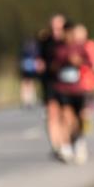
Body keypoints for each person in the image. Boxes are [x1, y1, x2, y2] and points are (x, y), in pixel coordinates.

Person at [49, 22, 94, 164]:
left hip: (79, 89)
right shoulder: (58, 48)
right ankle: (66, 147)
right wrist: (63, 63)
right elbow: (52, 66)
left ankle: (79, 140)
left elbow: (91, 64)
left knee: (80, 119)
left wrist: (79, 62)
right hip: (63, 88)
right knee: (66, 117)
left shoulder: (80, 47)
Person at [38, 14, 67, 156]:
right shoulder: (44, 41)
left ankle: (66, 141)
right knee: (52, 114)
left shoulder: (69, 41)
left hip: (68, 83)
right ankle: (56, 146)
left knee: (66, 114)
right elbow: (39, 60)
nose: (56, 29)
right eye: (54, 26)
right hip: (50, 82)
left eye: (59, 26)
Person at [19, 37, 41, 108]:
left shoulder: (24, 49)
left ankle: (27, 100)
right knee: (30, 83)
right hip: (30, 67)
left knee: (26, 83)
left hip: (26, 67)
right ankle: (30, 99)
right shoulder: (34, 49)